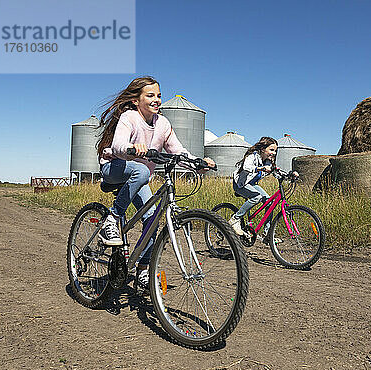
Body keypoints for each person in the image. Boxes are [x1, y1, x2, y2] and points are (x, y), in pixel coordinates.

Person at [96, 76, 215, 287]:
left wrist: (198, 164)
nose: (157, 99)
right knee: (141, 170)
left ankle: (143, 269)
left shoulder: (163, 124)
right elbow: (117, 146)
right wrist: (132, 150)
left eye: (159, 95)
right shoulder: (129, 117)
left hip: (139, 176)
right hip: (115, 167)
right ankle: (112, 219)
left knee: (152, 219)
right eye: (150, 95)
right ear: (136, 100)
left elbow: (178, 151)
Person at [229, 136, 279, 243]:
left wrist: (290, 174)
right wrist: (259, 168)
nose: (274, 153)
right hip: (240, 184)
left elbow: (275, 172)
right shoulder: (253, 156)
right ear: (262, 149)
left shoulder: (268, 161)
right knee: (256, 197)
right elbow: (246, 167)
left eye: (275, 150)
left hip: (252, 184)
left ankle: (267, 234)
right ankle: (235, 219)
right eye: (271, 150)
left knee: (269, 202)